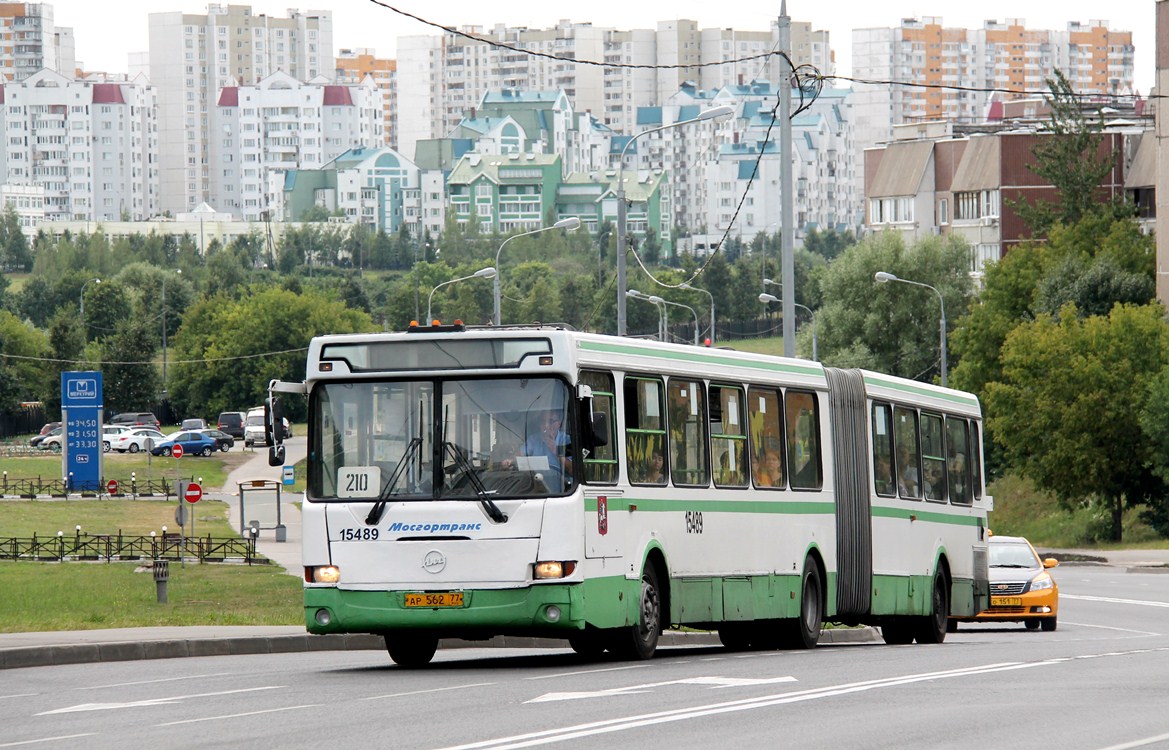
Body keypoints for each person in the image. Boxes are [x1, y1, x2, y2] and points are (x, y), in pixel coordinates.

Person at [524, 410, 572, 490]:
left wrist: (556, 450)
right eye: (543, 422)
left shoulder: (567, 440)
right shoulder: (534, 439)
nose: (546, 426)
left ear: (558, 424)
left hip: (562, 488)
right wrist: (510, 460)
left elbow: (572, 470)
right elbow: (520, 454)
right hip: (535, 485)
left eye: (550, 421)